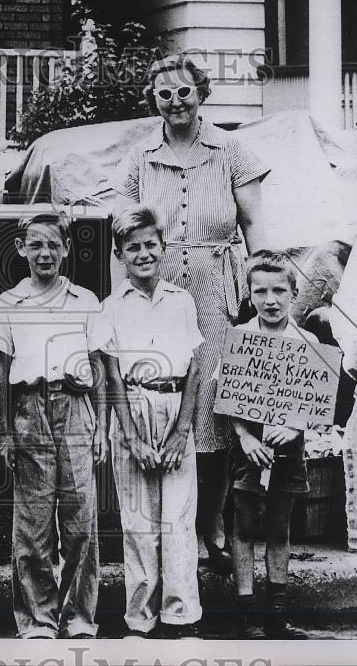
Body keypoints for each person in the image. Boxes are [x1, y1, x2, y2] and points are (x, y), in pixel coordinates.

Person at [112, 54, 270, 573]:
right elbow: (125, 227)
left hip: (216, 282)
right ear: (153, 100)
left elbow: (255, 227)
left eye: (184, 91)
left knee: (213, 407)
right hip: (157, 282)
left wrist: (256, 287)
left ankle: (209, 524)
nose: (175, 102)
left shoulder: (232, 150)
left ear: (202, 93)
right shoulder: (140, 157)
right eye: (164, 94)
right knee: (160, 395)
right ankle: (161, 522)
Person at [0, 212, 106, 639]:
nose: (45, 253)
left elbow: (98, 367)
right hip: (30, 410)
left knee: (80, 521)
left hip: (75, 409)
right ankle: (38, 620)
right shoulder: (8, 303)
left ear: (66, 249)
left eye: (53, 244)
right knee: (32, 524)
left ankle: (79, 618)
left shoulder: (86, 300)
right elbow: (0, 371)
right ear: (21, 249)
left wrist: (102, 427)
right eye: (35, 245)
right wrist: (5, 432)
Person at [92, 204, 205, 640]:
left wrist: (182, 431)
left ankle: (182, 615)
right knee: (140, 523)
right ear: (120, 254)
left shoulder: (182, 300)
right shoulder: (111, 306)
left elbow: (195, 368)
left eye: (150, 245)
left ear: (164, 247)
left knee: (178, 519)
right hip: (134, 409)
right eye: (132, 247)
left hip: (175, 407)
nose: (143, 254)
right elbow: (112, 374)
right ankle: (141, 619)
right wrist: (133, 437)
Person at [223, 250, 313, 639]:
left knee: (278, 528)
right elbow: (226, 397)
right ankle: (245, 611)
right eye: (261, 291)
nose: (270, 300)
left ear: (293, 292)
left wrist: (294, 427)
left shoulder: (306, 341)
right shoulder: (241, 337)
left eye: (279, 290)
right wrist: (243, 436)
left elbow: (317, 400)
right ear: (250, 294)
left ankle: (277, 612)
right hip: (250, 450)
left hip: (288, 450)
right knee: (244, 526)